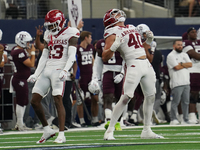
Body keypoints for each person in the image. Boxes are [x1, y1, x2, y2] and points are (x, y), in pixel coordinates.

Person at [102, 9, 164, 140]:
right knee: (126, 97)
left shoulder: (131, 27)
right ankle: (110, 130)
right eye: (115, 14)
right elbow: (105, 57)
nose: (119, 15)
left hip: (146, 64)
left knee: (150, 96)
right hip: (133, 64)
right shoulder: (111, 32)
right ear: (110, 19)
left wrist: (148, 41)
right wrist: (114, 47)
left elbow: (138, 47)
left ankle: (147, 129)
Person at [27, 9, 80, 143]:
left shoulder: (71, 33)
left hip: (59, 69)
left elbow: (72, 56)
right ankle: (47, 129)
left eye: (53, 24)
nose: (50, 27)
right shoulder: (48, 34)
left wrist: (65, 70)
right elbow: (44, 56)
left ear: (61, 22)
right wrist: (36, 73)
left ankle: (61, 134)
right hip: (47, 69)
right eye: (49, 25)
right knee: (34, 100)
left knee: (58, 100)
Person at [10, 31, 35, 131]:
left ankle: (20, 123)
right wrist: (32, 53)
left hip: (20, 79)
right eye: (27, 42)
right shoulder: (18, 52)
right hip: (19, 79)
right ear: (22, 41)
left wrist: (28, 53)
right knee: (21, 101)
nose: (29, 44)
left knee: (24, 101)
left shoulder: (17, 50)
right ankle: (20, 124)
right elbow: (31, 64)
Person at [76, 31, 100, 127]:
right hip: (82, 77)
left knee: (95, 98)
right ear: (85, 38)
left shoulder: (90, 47)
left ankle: (95, 119)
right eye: (90, 37)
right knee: (80, 99)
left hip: (90, 77)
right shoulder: (78, 49)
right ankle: (82, 121)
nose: (91, 39)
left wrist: (95, 75)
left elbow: (93, 60)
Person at [167, 40, 193, 125]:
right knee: (175, 102)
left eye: (181, 45)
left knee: (186, 102)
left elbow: (190, 64)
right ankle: (173, 119)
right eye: (178, 45)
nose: (180, 46)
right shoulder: (171, 56)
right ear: (174, 46)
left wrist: (181, 63)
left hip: (186, 82)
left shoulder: (184, 54)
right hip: (176, 82)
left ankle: (185, 119)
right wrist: (184, 64)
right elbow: (176, 67)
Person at [182, 27, 200, 124]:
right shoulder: (186, 43)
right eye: (192, 32)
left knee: (198, 94)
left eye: (195, 32)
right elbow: (195, 55)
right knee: (193, 93)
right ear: (188, 34)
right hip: (193, 70)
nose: (194, 33)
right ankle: (192, 116)